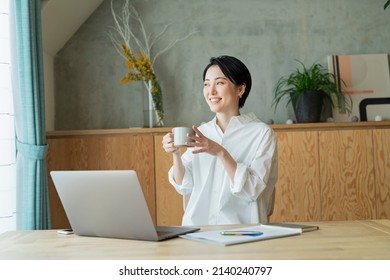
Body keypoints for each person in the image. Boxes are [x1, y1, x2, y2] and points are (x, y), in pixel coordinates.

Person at [162, 55, 278, 226]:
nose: (211, 91)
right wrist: (176, 154)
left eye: (220, 83)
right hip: (198, 231)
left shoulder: (261, 133)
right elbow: (183, 185)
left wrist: (221, 152)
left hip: (244, 231)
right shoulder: (200, 133)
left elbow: (252, 189)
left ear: (240, 89)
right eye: (206, 84)